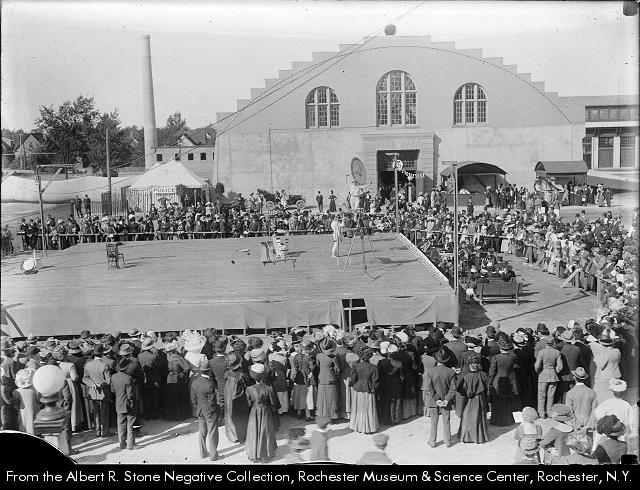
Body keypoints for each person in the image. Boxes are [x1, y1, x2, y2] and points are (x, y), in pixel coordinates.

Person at [245, 363, 279, 463]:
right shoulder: (268, 388)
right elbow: (273, 403)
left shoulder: (249, 389)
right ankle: (265, 453)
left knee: (254, 431)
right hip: (265, 411)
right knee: (266, 431)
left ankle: (255, 454)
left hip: (254, 411)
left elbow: (249, 403)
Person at [424, 349, 456, 448]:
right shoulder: (450, 372)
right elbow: (453, 388)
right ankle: (447, 441)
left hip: (434, 400)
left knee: (434, 421)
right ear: (446, 360)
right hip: (446, 400)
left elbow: (429, 388)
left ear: (436, 359)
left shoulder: (430, 372)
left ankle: (432, 441)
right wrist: (446, 399)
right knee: (446, 420)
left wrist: (437, 399)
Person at [190, 358, 221, 461]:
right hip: (209, 412)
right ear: (209, 371)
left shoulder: (195, 382)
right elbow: (212, 402)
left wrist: (199, 407)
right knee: (212, 433)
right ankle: (213, 455)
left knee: (202, 432)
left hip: (200, 410)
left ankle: (203, 453)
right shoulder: (210, 384)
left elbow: (193, 400)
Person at [457, 353, 489, 444]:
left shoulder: (466, 377)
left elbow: (461, 390)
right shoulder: (483, 374)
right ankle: (479, 437)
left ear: (469, 365)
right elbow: (487, 386)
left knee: (467, 417)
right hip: (480, 399)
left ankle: (467, 437)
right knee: (479, 416)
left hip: (469, 400)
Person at [82, 344, 113, 437]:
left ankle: (97, 431)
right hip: (104, 392)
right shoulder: (105, 365)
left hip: (93, 392)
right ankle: (105, 431)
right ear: (102, 353)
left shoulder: (88, 365)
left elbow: (85, 378)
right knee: (104, 412)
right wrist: (100, 385)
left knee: (96, 412)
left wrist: (92, 384)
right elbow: (108, 381)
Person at [489, 336, 519, 427]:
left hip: (498, 380)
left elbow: (491, 372)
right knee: (507, 402)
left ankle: (496, 420)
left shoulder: (496, 357)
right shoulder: (513, 357)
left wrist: (490, 381)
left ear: (500, 348)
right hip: (509, 381)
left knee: (497, 402)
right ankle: (508, 420)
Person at [349, 347, 379, 434]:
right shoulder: (374, 367)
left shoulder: (356, 366)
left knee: (358, 408)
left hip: (358, 388)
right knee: (368, 408)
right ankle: (369, 427)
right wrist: (374, 388)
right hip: (369, 389)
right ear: (370, 356)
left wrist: (352, 384)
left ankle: (357, 426)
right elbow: (375, 381)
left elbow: (353, 379)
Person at [111, 357, 137, 450]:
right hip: (128, 403)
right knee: (131, 423)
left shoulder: (114, 376)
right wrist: (132, 402)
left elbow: (112, 390)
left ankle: (122, 443)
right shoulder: (129, 378)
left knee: (121, 424)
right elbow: (130, 395)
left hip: (118, 403)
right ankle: (131, 444)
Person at [224, 353, 251, 443]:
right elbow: (247, 383)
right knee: (240, 415)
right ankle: (241, 435)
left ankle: (232, 435)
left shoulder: (227, 373)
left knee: (229, 412)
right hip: (239, 396)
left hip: (229, 394)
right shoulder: (241, 375)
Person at [534, 335, 563, 419]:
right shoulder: (557, 352)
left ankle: (541, 413)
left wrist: (539, 372)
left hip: (543, 374)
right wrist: (555, 371)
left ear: (545, 342)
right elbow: (560, 366)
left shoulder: (541, 352)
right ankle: (549, 412)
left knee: (541, 395)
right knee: (551, 396)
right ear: (553, 343)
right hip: (553, 375)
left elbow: (537, 365)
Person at [163, 341, 192, 421]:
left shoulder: (166, 359)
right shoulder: (178, 358)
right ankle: (180, 415)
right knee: (179, 396)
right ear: (174, 350)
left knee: (171, 397)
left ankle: (171, 415)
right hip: (178, 378)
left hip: (169, 379)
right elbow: (187, 367)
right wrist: (183, 373)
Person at [565, 367, 597, 432]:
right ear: (584, 378)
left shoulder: (570, 393)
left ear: (574, 377)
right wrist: (588, 425)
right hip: (588, 426)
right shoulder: (592, 392)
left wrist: (576, 424)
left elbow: (569, 411)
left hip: (575, 426)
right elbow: (594, 410)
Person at [316, 337, 339, 421]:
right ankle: (331, 417)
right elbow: (337, 369)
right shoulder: (334, 357)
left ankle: (322, 415)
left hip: (322, 378)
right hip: (330, 378)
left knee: (322, 398)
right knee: (331, 398)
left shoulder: (318, 356)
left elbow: (318, 365)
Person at [12, 369, 39, 435]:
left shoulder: (16, 392)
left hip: (23, 412)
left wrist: (17, 409)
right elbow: (38, 399)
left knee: (24, 425)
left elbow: (16, 405)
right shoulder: (34, 389)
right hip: (35, 410)